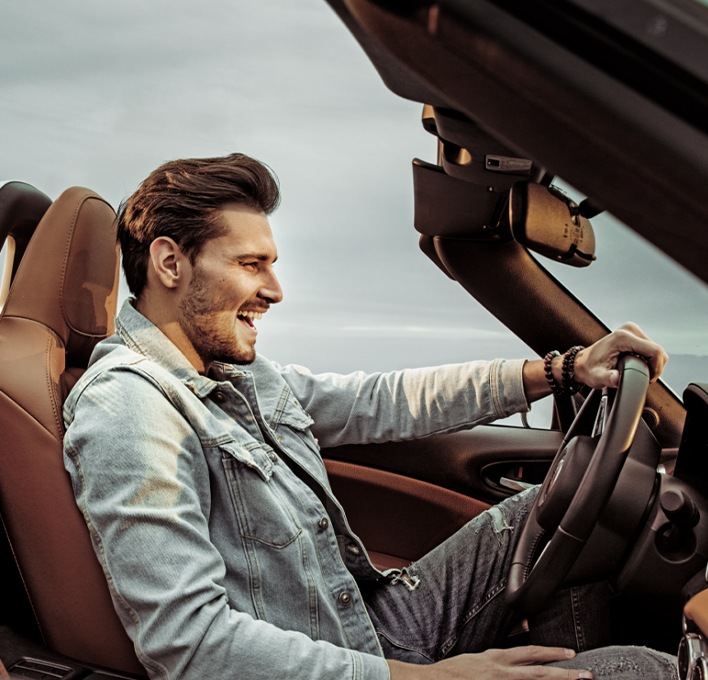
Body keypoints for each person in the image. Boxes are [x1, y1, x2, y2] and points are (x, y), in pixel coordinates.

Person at [63, 153, 676, 680]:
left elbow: (380, 399)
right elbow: (191, 646)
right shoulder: (129, 409)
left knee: (564, 506)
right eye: (252, 264)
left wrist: (563, 370)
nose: (276, 290)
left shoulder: (233, 375)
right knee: (649, 672)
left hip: (367, 626)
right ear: (170, 264)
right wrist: (423, 678)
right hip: (341, 664)